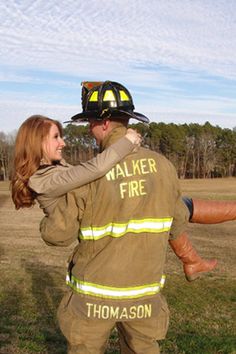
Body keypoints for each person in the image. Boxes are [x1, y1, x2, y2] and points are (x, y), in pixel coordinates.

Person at [39, 81, 235, 353]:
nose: (88, 128)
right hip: (144, 299)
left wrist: (48, 205)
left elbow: (57, 235)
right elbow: (177, 220)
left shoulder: (89, 175)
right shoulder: (164, 166)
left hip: (94, 298)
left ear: (105, 124)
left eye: (90, 121)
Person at [11, 114, 142, 215]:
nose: (63, 143)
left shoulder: (57, 169)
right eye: (56, 137)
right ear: (37, 142)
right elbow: (96, 168)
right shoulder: (43, 181)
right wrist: (127, 141)